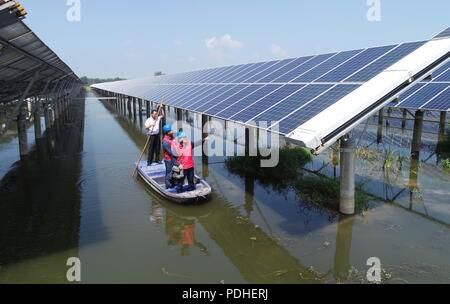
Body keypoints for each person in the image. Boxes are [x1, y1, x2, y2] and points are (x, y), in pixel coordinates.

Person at [161, 124, 177, 189]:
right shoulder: (165, 142)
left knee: (173, 172)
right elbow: (171, 152)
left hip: (174, 158)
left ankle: (173, 183)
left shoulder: (172, 138)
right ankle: (168, 185)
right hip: (169, 159)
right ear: (167, 132)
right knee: (169, 172)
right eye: (171, 131)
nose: (172, 131)